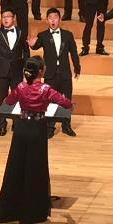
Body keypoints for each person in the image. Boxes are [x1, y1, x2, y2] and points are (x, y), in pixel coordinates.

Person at [0, 57, 73, 224]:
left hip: (21, 129)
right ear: (41, 71)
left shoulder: (20, 87)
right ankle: (32, 213)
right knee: (35, 167)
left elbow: (8, 101)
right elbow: (66, 103)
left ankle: (10, 210)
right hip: (37, 130)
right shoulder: (46, 89)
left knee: (17, 165)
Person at [30, 8, 80, 136]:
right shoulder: (43, 35)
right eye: (50, 18)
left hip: (65, 73)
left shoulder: (68, 35)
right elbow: (36, 45)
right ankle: (50, 127)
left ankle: (66, 126)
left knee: (66, 100)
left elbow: (74, 52)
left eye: (55, 17)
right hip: (50, 74)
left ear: (59, 19)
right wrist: (32, 44)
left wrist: (77, 67)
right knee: (50, 101)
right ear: (47, 20)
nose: (53, 20)